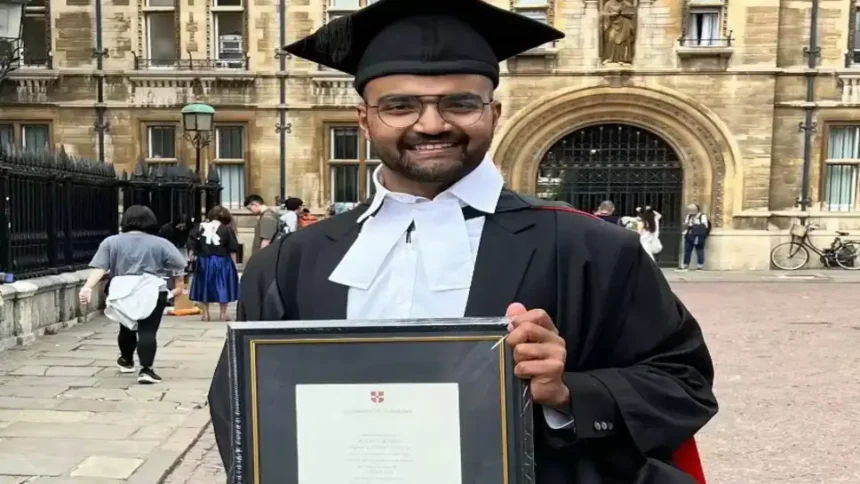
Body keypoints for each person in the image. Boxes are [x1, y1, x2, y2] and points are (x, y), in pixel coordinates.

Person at [208, 1, 717, 483]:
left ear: (495, 113)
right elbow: (242, 407)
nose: (431, 125)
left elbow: (684, 383)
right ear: (365, 120)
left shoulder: (594, 250)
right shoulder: (289, 263)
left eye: (460, 103)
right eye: (399, 106)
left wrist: (568, 393)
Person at [79, 205, 187, 384]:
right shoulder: (160, 243)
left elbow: (100, 267)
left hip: (121, 288)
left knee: (126, 327)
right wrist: (160, 265)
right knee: (148, 330)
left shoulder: (111, 242)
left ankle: (126, 360)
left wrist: (87, 287)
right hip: (152, 287)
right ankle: (146, 369)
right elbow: (179, 263)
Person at [188, 206, 240, 321]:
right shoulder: (227, 229)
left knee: (204, 286)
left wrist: (191, 256)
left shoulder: (200, 227)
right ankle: (223, 314)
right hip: (222, 260)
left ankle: (206, 314)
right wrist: (234, 264)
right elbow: (232, 248)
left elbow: (192, 243)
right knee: (223, 285)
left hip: (204, 260)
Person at [681, 203, 709, 271]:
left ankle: (700, 266)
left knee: (699, 250)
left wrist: (694, 225)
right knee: (687, 250)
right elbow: (686, 224)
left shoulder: (702, 216)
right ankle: (686, 265)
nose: (690, 212)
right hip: (689, 234)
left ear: (696, 210)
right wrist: (686, 225)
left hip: (698, 235)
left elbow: (705, 226)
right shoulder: (689, 216)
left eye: (691, 210)